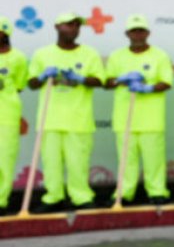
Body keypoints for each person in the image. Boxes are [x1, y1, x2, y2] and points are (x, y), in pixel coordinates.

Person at [27, 12, 104, 211]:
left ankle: (81, 197)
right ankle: (54, 197)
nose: (73, 29)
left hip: (78, 119)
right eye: (68, 25)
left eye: (76, 26)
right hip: (49, 118)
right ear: (57, 27)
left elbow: (99, 80)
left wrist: (80, 78)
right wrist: (43, 76)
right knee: (51, 161)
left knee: (78, 161)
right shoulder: (42, 54)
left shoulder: (89, 53)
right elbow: (32, 83)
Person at [103, 14, 174, 205]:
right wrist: (120, 80)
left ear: (148, 33)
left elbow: (166, 82)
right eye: (134, 31)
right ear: (127, 34)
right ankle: (125, 193)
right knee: (127, 159)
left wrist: (148, 87)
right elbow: (107, 82)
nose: (137, 34)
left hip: (151, 118)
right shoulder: (117, 56)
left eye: (141, 30)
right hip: (124, 118)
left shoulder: (159, 55)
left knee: (154, 160)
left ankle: (157, 192)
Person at [0, 16, 27, 211]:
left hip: (7, 114)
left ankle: (1, 200)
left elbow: (19, 86)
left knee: (4, 158)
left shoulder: (18, 57)